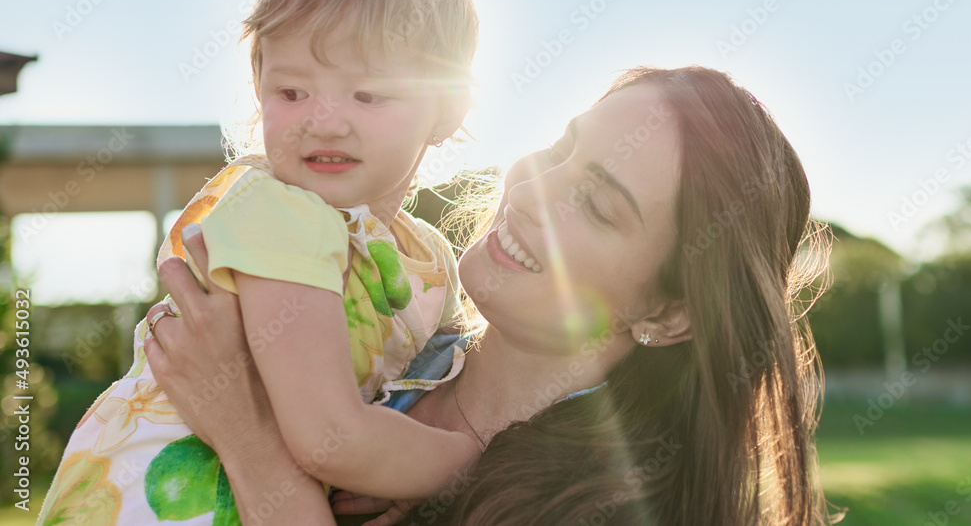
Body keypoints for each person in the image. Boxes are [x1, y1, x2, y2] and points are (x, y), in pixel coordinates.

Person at [144, 66, 836, 525]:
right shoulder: (402, 340)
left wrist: (250, 441)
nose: (535, 188)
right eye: (563, 146)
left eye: (597, 204)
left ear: (670, 311)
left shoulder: (612, 507)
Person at [36, 0, 485, 525]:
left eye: (368, 93)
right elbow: (330, 438)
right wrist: (478, 461)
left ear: (448, 106)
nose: (323, 119)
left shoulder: (430, 258)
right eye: (292, 92)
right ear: (259, 84)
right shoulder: (277, 209)